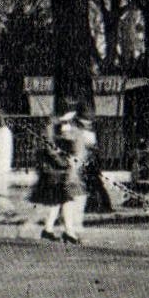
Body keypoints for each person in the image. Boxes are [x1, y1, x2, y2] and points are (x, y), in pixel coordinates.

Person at [57, 104, 97, 243]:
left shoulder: (77, 131)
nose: (88, 122)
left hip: (77, 168)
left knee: (76, 197)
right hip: (73, 168)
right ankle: (70, 230)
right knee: (73, 198)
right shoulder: (74, 131)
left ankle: (70, 229)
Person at [28, 119, 70, 239]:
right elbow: (50, 149)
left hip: (53, 169)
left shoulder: (54, 125)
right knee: (59, 199)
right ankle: (64, 231)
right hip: (53, 169)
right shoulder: (50, 128)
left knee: (59, 200)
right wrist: (63, 162)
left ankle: (50, 228)